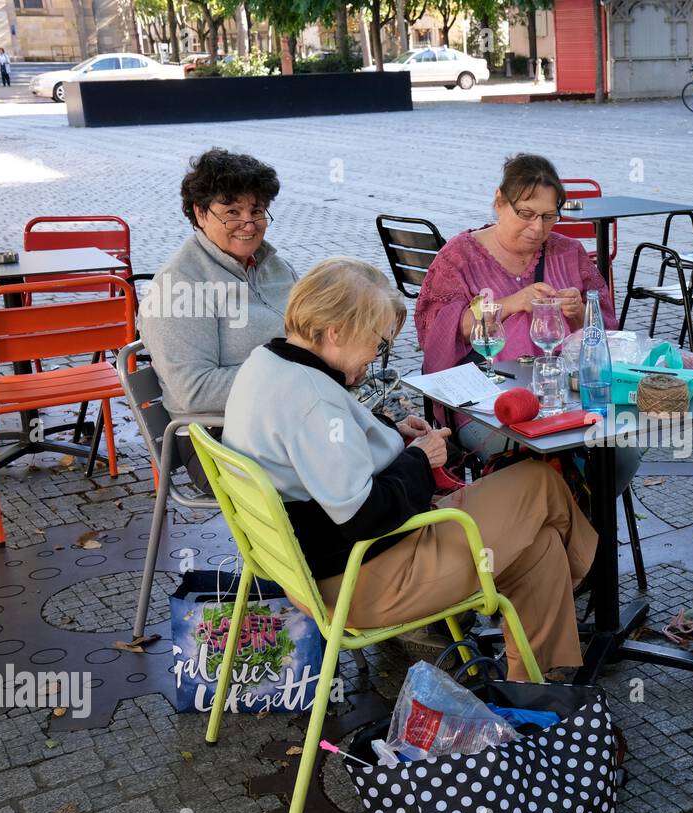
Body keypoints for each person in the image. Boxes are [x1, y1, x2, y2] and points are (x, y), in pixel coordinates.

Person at [224, 258, 598, 682]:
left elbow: (323, 447)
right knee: (540, 481)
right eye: (377, 343)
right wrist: (420, 458)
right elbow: (366, 515)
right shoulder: (313, 399)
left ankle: (538, 687)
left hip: (313, 569)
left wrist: (390, 433)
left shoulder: (267, 362)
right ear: (336, 333)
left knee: (541, 544)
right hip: (366, 582)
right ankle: (590, 579)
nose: (377, 356)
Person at [415, 153, 620, 463]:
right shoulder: (460, 258)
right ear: (499, 201)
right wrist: (511, 304)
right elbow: (441, 331)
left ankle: (576, 507)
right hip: (491, 406)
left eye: (549, 216)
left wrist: (579, 313)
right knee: (538, 460)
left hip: (568, 397)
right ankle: (555, 505)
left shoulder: (569, 252)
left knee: (620, 451)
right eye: (526, 213)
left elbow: (606, 334)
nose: (537, 228)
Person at [138, 148, 299, 488]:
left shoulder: (273, 265)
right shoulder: (179, 286)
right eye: (232, 212)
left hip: (288, 419)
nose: (249, 223)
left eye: (257, 210)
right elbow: (193, 392)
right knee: (353, 465)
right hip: (216, 439)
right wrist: (298, 378)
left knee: (385, 444)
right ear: (200, 213)